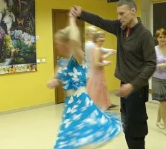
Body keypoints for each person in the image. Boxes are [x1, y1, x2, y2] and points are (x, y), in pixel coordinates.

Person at [70, 0, 156, 149]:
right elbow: (100, 21)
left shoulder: (144, 35)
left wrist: (132, 85)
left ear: (133, 11)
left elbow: (151, 65)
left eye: (122, 14)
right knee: (127, 126)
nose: (119, 17)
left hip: (136, 89)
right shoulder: (120, 28)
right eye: (118, 14)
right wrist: (81, 14)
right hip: (124, 85)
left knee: (136, 129)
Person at [47, 14, 122, 149]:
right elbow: (51, 80)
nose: (56, 45)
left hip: (81, 102)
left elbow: (75, 40)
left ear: (66, 43)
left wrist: (71, 20)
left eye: (58, 42)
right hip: (70, 105)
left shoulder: (77, 57)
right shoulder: (61, 62)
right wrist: (52, 82)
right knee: (71, 140)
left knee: (83, 138)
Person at [152, 28, 166, 137]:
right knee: (164, 102)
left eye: (164, 37)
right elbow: (149, 66)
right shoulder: (153, 50)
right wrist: (159, 66)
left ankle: (158, 121)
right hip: (158, 79)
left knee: (163, 102)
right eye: (160, 37)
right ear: (157, 38)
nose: (162, 39)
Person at [87, 31, 115, 110]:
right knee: (97, 95)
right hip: (97, 76)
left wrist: (109, 54)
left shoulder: (98, 48)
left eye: (103, 36)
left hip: (99, 75)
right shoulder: (96, 49)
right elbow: (96, 63)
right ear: (96, 39)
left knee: (100, 94)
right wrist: (105, 64)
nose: (102, 38)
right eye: (100, 37)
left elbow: (100, 59)